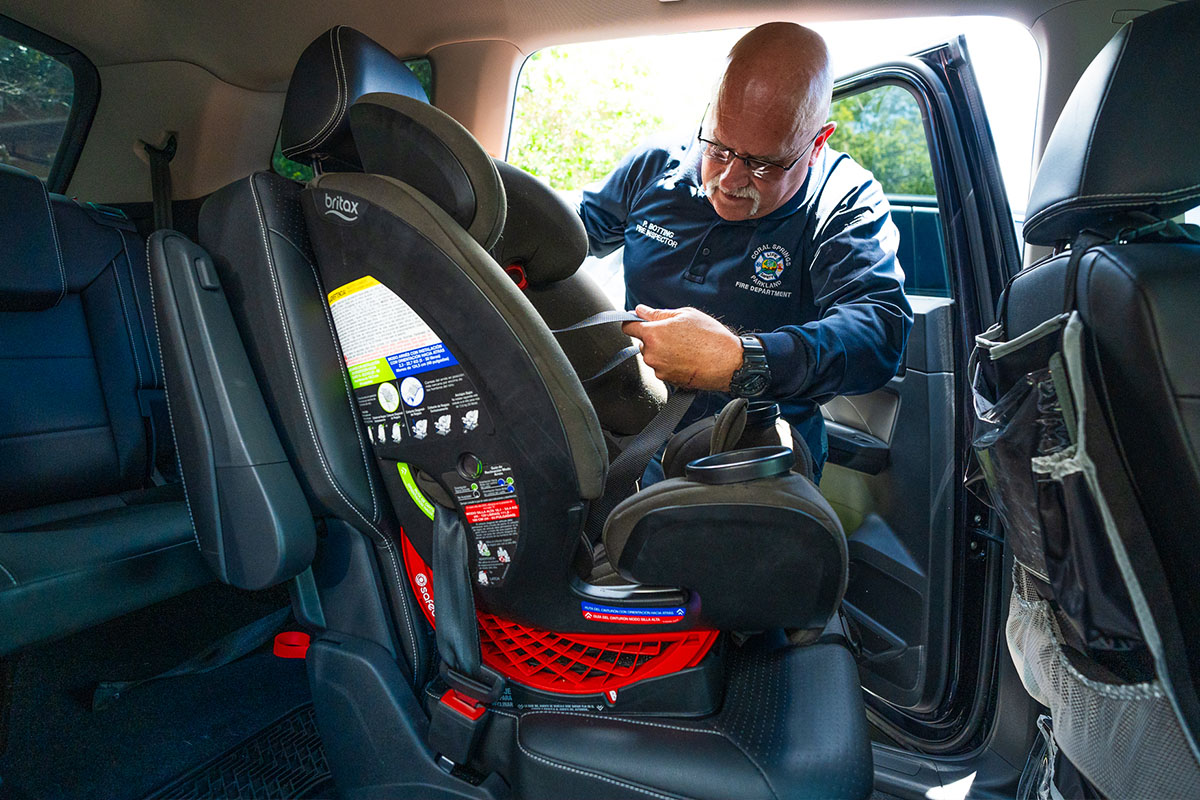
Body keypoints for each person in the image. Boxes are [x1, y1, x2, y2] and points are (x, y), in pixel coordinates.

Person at [576, 22, 913, 481]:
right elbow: (564, 238)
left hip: (757, 448)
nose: (730, 180)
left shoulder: (843, 200)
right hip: (632, 424)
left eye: (762, 163)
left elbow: (878, 331)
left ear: (816, 144)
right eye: (718, 146)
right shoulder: (655, 166)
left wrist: (740, 361)